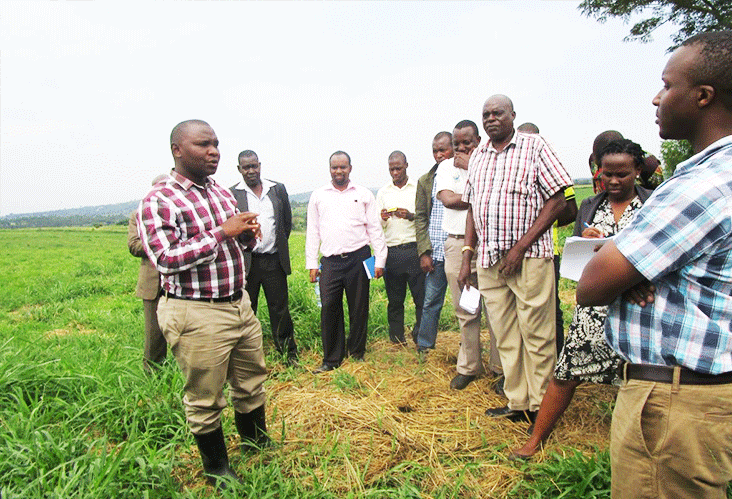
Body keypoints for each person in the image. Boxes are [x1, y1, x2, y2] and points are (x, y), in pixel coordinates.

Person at [577, 30, 732, 498]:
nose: (656, 98)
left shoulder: (701, 187)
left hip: (673, 405)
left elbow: (592, 284)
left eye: (667, 85)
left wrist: (624, 266)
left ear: (702, 96)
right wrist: (639, 265)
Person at [138, 120, 269, 489]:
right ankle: (216, 469)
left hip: (238, 304)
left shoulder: (221, 194)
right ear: (178, 150)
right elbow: (165, 258)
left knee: (250, 381)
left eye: (215, 144)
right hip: (196, 311)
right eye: (203, 144)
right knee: (205, 396)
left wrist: (246, 237)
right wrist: (221, 232)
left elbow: (236, 243)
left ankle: (256, 443)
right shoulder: (160, 200)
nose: (214, 151)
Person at [511, 139, 651, 460]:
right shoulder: (590, 206)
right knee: (566, 372)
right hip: (595, 304)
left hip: (639, 305)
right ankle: (535, 441)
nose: (613, 181)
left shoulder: (653, 205)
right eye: (607, 174)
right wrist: (585, 239)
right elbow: (576, 249)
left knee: (639, 377)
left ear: (637, 172)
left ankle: (636, 448)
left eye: (622, 175)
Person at [460, 95, 572, 423]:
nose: (491, 118)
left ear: (512, 115)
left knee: (537, 335)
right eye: (486, 114)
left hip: (529, 257)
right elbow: (472, 208)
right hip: (490, 260)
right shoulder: (478, 156)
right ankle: (518, 402)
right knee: (506, 334)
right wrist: (468, 255)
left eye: (498, 113)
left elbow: (558, 200)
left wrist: (520, 247)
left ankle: (541, 408)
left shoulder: (534, 146)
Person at [306, 151, 387, 373]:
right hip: (330, 262)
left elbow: (374, 228)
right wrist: (312, 263)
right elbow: (312, 231)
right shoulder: (318, 195)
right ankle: (331, 359)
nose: (338, 171)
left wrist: (380, 259)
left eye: (343, 167)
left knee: (358, 307)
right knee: (329, 307)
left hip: (358, 258)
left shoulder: (363, 194)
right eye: (334, 167)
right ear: (329, 169)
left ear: (350, 168)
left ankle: (357, 353)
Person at [436, 120, 501, 390]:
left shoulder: (489, 162)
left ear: (479, 140)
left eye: (468, 142)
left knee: (497, 310)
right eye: (457, 143)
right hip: (456, 244)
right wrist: (477, 194)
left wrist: (472, 170)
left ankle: (500, 368)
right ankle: (469, 366)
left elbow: (494, 197)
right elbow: (449, 200)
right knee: (466, 308)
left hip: (488, 243)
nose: (462, 148)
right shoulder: (444, 167)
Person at [230, 150, 298, 366]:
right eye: (246, 167)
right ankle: (246, 358)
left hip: (273, 260)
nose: (251, 171)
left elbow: (285, 224)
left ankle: (288, 354)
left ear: (260, 165)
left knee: (280, 308)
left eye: (254, 166)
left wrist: (276, 245)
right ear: (239, 169)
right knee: (247, 309)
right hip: (247, 262)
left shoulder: (276, 189)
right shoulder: (233, 194)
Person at [517, 122, 577, 355]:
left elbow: (570, 210)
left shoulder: (550, 168)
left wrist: (539, 226)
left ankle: (557, 361)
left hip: (545, 252)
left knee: (550, 310)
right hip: (514, 252)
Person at [376, 151, 424, 345]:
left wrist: (410, 215)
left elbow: (424, 217)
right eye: (391, 169)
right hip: (393, 252)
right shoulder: (383, 192)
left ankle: (421, 336)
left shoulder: (417, 188)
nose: (395, 172)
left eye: (398, 168)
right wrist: (383, 217)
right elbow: (376, 225)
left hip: (414, 250)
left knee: (420, 298)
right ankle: (397, 340)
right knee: (395, 300)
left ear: (406, 165)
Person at [414, 132, 452, 357]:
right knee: (430, 303)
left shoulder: (464, 175)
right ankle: (425, 347)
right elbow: (420, 217)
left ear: (453, 150)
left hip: (460, 251)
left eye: (443, 150)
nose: (439, 155)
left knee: (467, 305)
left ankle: (468, 349)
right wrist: (424, 252)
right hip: (435, 251)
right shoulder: (426, 180)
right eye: (435, 151)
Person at [127, 173, 169, 372]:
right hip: (152, 283)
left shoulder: (178, 211)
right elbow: (134, 246)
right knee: (154, 337)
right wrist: (160, 244)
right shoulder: (138, 215)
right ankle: (154, 376)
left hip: (180, 281)